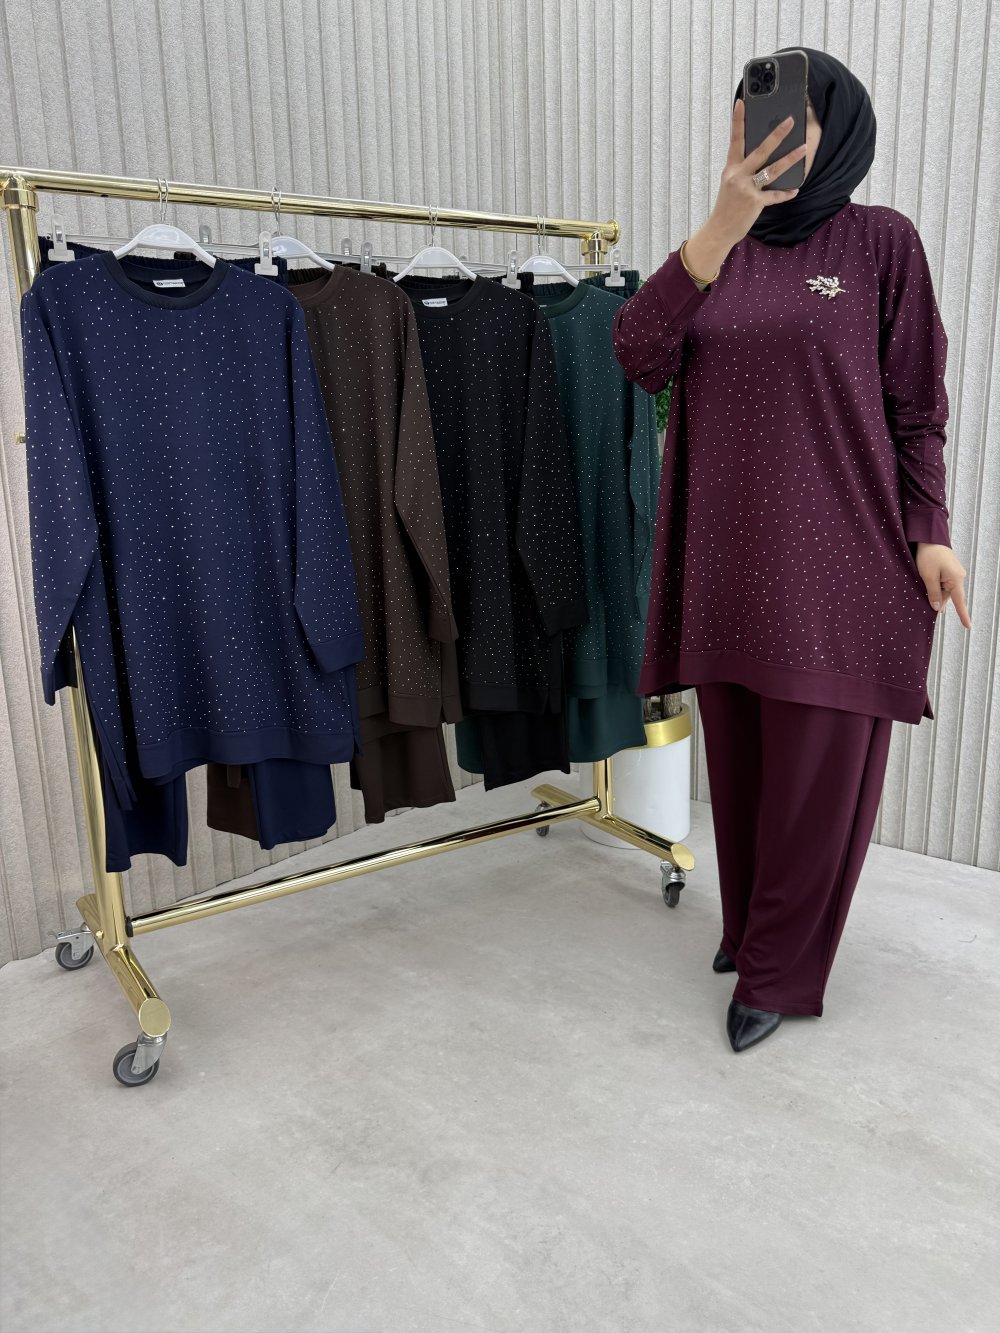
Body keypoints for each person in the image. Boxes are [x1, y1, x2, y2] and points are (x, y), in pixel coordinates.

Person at [612, 49, 972, 1051]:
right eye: (745, 122)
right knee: (739, 777)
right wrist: (718, 227)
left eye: (783, 122)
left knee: (813, 790)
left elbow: (916, 406)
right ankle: (747, 932)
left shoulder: (879, 243)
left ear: (834, 130)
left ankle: (777, 971)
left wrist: (931, 532)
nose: (761, 140)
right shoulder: (713, 251)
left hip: (843, 569)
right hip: (724, 569)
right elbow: (637, 355)